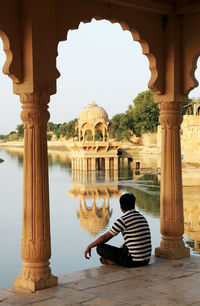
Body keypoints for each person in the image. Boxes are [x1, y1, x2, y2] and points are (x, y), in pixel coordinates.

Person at [84, 193, 151, 267]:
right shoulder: (142, 217)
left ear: (121, 207)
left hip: (133, 262)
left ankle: (114, 261)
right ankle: (118, 257)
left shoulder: (123, 220)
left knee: (100, 247)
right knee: (131, 239)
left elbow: (105, 238)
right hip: (146, 260)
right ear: (133, 205)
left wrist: (89, 246)